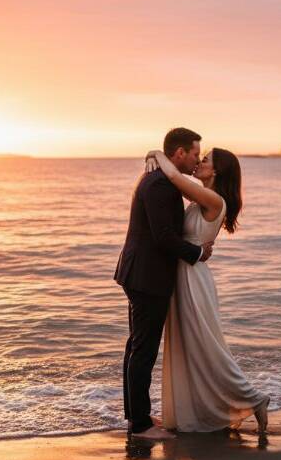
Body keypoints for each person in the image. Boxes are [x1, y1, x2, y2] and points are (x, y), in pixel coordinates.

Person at [146, 146, 270, 434]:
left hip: (192, 279)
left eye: (205, 160)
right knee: (190, 348)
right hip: (184, 275)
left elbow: (176, 179)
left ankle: (254, 399)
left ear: (216, 171)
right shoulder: (201, 198)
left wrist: (156, 153)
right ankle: (195, 411)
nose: (200, 162)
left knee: (206, 347)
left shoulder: (215, 199)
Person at [114, 128, 214, 440]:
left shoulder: (162, 178)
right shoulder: (160, 184)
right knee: (143, 350)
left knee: (136, 347)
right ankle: (140, 425)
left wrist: (154, 153)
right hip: (147, 276)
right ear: (180, 153)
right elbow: (164, 237)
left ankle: (137, 416)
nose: (198, 159)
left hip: (141, 273)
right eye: (195, 154)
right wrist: (198, 253)